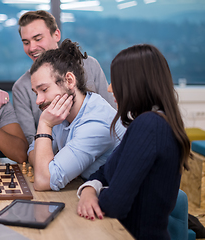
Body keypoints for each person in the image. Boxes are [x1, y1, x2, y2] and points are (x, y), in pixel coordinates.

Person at [76, 44, 190, 239]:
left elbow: (115, 204)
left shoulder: (149, 125)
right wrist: (88, 189)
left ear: (134, 83)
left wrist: (95, 193)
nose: (110, 88)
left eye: (116, 81)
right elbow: (107, 170)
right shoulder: (153, 121)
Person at [28, 39, 126, 191]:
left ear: (69, 80)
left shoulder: (96, 122)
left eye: (44, 89)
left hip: (119, 207)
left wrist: (44, 125)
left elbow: (43, 181)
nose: (38, 101)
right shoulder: (61, 114)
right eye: (36, 93)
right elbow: (32, 154)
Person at [12, 10, 116, 144]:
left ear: (56, 35)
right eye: (26, 42)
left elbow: (112, 115)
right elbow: (32, 144)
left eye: (38, 39)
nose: (32, 48)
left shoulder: (90, 65)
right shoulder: (21, 87)